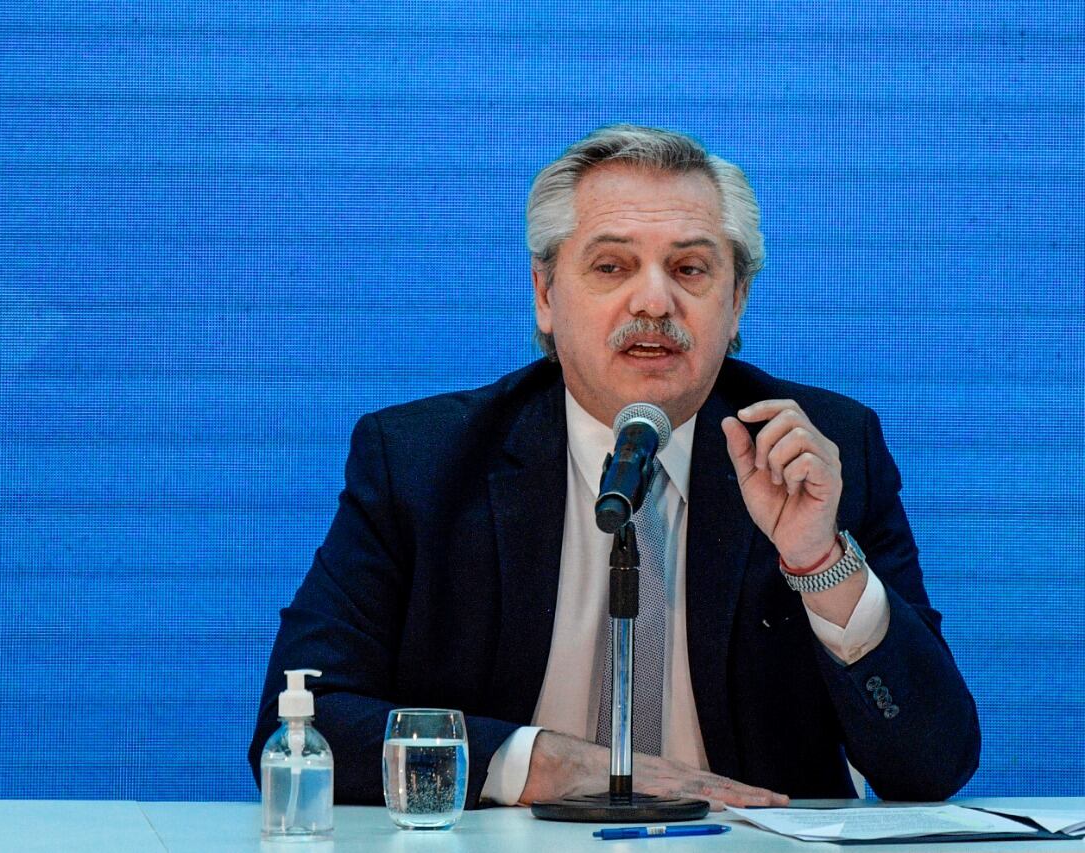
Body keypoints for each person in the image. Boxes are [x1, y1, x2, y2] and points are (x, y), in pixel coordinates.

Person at [249, 125, 980, 810]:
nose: (655, 301)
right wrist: (539, 763)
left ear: (736, 302)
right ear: (545, 294)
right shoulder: (422, 461)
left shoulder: (817, 453)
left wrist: (820, 561)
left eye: (690, 269)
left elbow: (931, 767)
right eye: (611, 266)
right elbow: (302, 730)